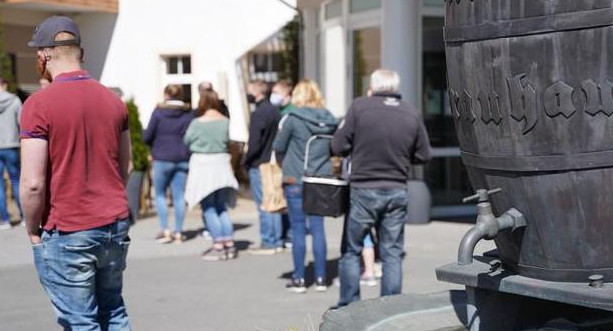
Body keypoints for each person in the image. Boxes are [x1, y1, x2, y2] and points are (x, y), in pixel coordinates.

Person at [20, 16, 132, 329]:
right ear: (80, 52)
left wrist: (32, 230)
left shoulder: (38, 104)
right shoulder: (113, 100)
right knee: (114, 311)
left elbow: (32, 184)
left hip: (68, 226)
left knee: (81, 320)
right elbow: (127, 166)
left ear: (43, 56)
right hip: (113, 222)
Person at [332, 69, 432, 307]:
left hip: (364, 188)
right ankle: (389, 308)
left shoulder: (359, 107)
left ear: (373, 86)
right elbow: (424, 154)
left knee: (351, 250)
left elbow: (338, 145)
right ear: (396, 88)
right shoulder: (411, 112)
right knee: (392, 253)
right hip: (396, 188)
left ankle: (349, 305)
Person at [273, 79, 338, 293]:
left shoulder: (293, 119)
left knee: (298, 229)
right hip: (320, 179)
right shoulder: (330, 120)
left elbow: (278, 146)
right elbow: (336, 147)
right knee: (318, 229)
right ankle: (321, 278)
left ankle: (299, 278)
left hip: (295, 179)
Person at [184, 89, 239, 261]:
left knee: (209, 207)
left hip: (203, 165)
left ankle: (218, 245)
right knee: (221, 206)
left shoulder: (197, 123)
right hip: (221, 164)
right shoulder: (224, 121)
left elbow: (187, 140)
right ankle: (229, 243)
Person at [144, 85, 193, 244]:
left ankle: (165, 230)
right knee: (179, 196)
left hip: (162, 157)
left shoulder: (158, 113)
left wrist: (152, 146)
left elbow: (148, 135)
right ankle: (178, 232)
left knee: (160, 195)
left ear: (166, 94)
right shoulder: (188, 114)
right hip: (182, 157)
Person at [244, 79, 283, 255]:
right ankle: (277, 239)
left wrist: (246, 161)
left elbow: (254, 143)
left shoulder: (259, 113)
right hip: (273, 161)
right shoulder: (275, 111)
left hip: (260, 163)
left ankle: (268, 241)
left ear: (257, 92)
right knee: (274, 201)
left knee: (264, 203)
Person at [270, 79, 295, 248]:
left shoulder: (290, 114)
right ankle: (287, 233)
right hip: (285, 161)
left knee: (291, 200)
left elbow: (280, 143)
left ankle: (291, 234)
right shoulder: (280, 111)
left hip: (289, 162)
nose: (274, 96)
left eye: (277, 92)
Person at [0, 76, 24, 230]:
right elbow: (22, 123)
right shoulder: (15, 101)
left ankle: (4, 220)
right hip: (12, 146)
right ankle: (24, 217)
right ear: (5, 84)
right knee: (16, 181)